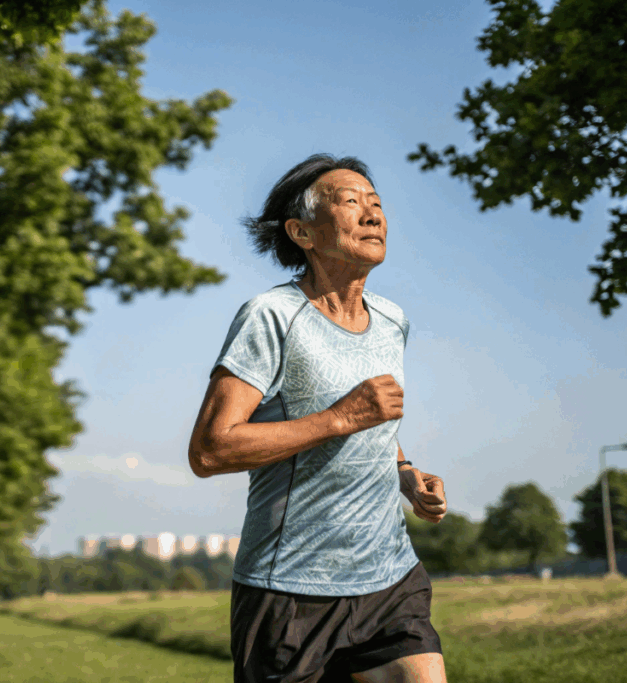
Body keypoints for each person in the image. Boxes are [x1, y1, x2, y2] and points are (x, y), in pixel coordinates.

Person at [188, 154, 449, 683]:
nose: (373, 215)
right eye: (352, 202)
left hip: (389, 578)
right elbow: (211, 450)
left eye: (376, 203)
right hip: (290, 590)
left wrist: (405, 472)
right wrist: (338, 418)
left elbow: (375, 426)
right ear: (302, 231)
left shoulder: (393, 321)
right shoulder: (272, 316)